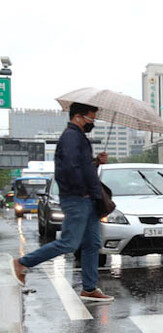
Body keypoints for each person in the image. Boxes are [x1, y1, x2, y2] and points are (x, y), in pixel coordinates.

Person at [10, 103, 112, 302]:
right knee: (68, 243)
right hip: (77, 199)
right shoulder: (71, 137)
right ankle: (22, 263)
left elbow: (80, 167)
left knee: (92, 243)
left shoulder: (78, 138)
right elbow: (68, 169)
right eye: (91, 119)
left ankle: (89, 288)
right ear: (78, 117)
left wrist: (96, 162)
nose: (93, 123)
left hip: (89, 199)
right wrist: (81, 192)